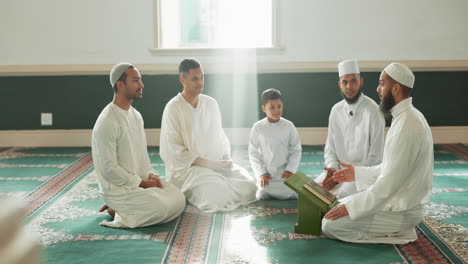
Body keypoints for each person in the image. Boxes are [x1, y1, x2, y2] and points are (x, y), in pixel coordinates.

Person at [322, 62, 434, 244]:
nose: (378, 89)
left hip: (401, 212)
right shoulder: (407, 117)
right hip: (395, 201)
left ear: (396, 88)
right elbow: (390, 168)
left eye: (382, 84)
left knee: (329, 224)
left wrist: (352, 208)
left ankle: (393, 232)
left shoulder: (407, 124)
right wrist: (357, 173)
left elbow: (387, 185)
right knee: (336, 206)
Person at [91, 63, 186, 228]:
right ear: (120, 85)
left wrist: (150, 176)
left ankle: (128, 208)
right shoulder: (107, 121)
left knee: (179, 198)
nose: (141, 85)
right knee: (162, 208)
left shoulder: (136, 116)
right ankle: (118, 209)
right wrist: (141, 183)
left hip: (139, 183)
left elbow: (142, 155)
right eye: (135, 81)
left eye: (140, 80)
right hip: (118, 188)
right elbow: (108, 168)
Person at [159, 58, 257, 213]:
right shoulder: (173, 108)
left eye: (202, 77)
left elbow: (220, 137)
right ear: (182, 79)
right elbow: (175, 151)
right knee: (219, 197)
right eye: (194, 78)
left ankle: (222, 182)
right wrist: (210, 165)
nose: (200, 82)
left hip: (217, 163)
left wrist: (225, 159)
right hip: (189, 169)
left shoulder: (211, 103)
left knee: (250, 187)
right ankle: (209, 189)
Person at [316, 60, 385, 198]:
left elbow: (376, 157)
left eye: (353, 81)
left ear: (361, 81)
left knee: (337, 199)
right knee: (313, 192)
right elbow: (330, 149)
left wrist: (353, 173)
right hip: (338, 172)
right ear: (339, 84)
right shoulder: (336, 110)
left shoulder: (374, 111)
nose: (349, 86)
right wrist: (332, 169)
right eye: (344, 82)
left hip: (361, 175)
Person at [248, 88, 302, 200]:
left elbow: (296, 150)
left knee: (292, 194)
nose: (277, 110)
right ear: (264, 108)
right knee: (261, 194)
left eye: (279, 106)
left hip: (285, 174)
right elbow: (252, 152)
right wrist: (261, 173)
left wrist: (290, 170)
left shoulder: (289, 126)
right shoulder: (258, 127)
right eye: (272, 107)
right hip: (267, 175)